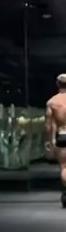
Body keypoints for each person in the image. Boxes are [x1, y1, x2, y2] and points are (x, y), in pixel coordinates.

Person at [46, 74, 66, 207]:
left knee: (64, 166)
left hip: (63, 135)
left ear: (57, 84)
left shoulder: (52, 102)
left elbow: (49, 125)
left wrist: (49, 141)